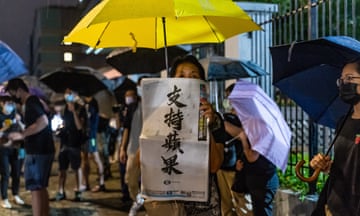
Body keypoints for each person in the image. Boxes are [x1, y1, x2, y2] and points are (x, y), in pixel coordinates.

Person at [143, 55, 225, 216]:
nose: (187, 80)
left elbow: (215, 165)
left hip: (203, 207)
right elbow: (144, 161)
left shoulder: (215, 120)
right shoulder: (160, 115)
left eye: (194, 76)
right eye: (181, 76)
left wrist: (205, 125)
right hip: (169, 204)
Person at [309, 58, 360, 216]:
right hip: (333, 207)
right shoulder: (343, 121)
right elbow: (347, 167)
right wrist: (327, 166)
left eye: (350, 78)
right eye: (342, 79)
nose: (344, 83)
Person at [6, 78, 55, 216]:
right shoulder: (35, 101)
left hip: (37, 152)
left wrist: (22, 134)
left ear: (19, 90)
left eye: (12, 93)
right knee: (40, 188)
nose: (13, 98)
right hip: (43, 150)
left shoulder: (31, 102)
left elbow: (43, 122)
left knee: (35, 188)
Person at [217, 83, 253, 216]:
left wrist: (225, 124)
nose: (229, 101)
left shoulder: (249, 115)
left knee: (243, 207)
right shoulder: (227, 115)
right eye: (227, 98)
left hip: (239, 168)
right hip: (223, 166)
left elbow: (247, 136)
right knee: (226, 207)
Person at [53, 89, 85, 201]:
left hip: (75, 142)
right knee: (62, 168)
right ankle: (60, 191)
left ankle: (78, 190)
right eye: (66, 93)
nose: (68, 96)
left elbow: (80, 127)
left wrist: (74, 112)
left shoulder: (80, 107)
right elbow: (64, 123)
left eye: (70, 93)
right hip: (65, 141)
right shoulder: (64, 108)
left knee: (76, 167)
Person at [119, 88, 143, 216]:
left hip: (148, 151)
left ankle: (147, 206)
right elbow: (126, 129)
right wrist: (122, 148)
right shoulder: (131, 108)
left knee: (149, 182)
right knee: (130, 180)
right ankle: (138, 202)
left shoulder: (150, 107)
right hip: (133, 149)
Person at [0, 96, 25, 208]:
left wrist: (19, 121)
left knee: (16, 173)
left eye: (12, 103)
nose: (10, 105)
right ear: (2, 103)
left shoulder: (16, 114)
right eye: (8, 103)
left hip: (15, 148)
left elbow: (24, 130)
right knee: (5, 173)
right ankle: (4, 198)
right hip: (3, 148)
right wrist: (4, 128)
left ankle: (15, 194)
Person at [80, 95, 106, 192]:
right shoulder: (85, 107)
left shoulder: (92, 106)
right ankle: (85, 183)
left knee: (95, 157)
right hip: (85, 138)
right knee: (84, 159)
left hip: (92, 138)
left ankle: (101, 183)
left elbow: (90, 123)